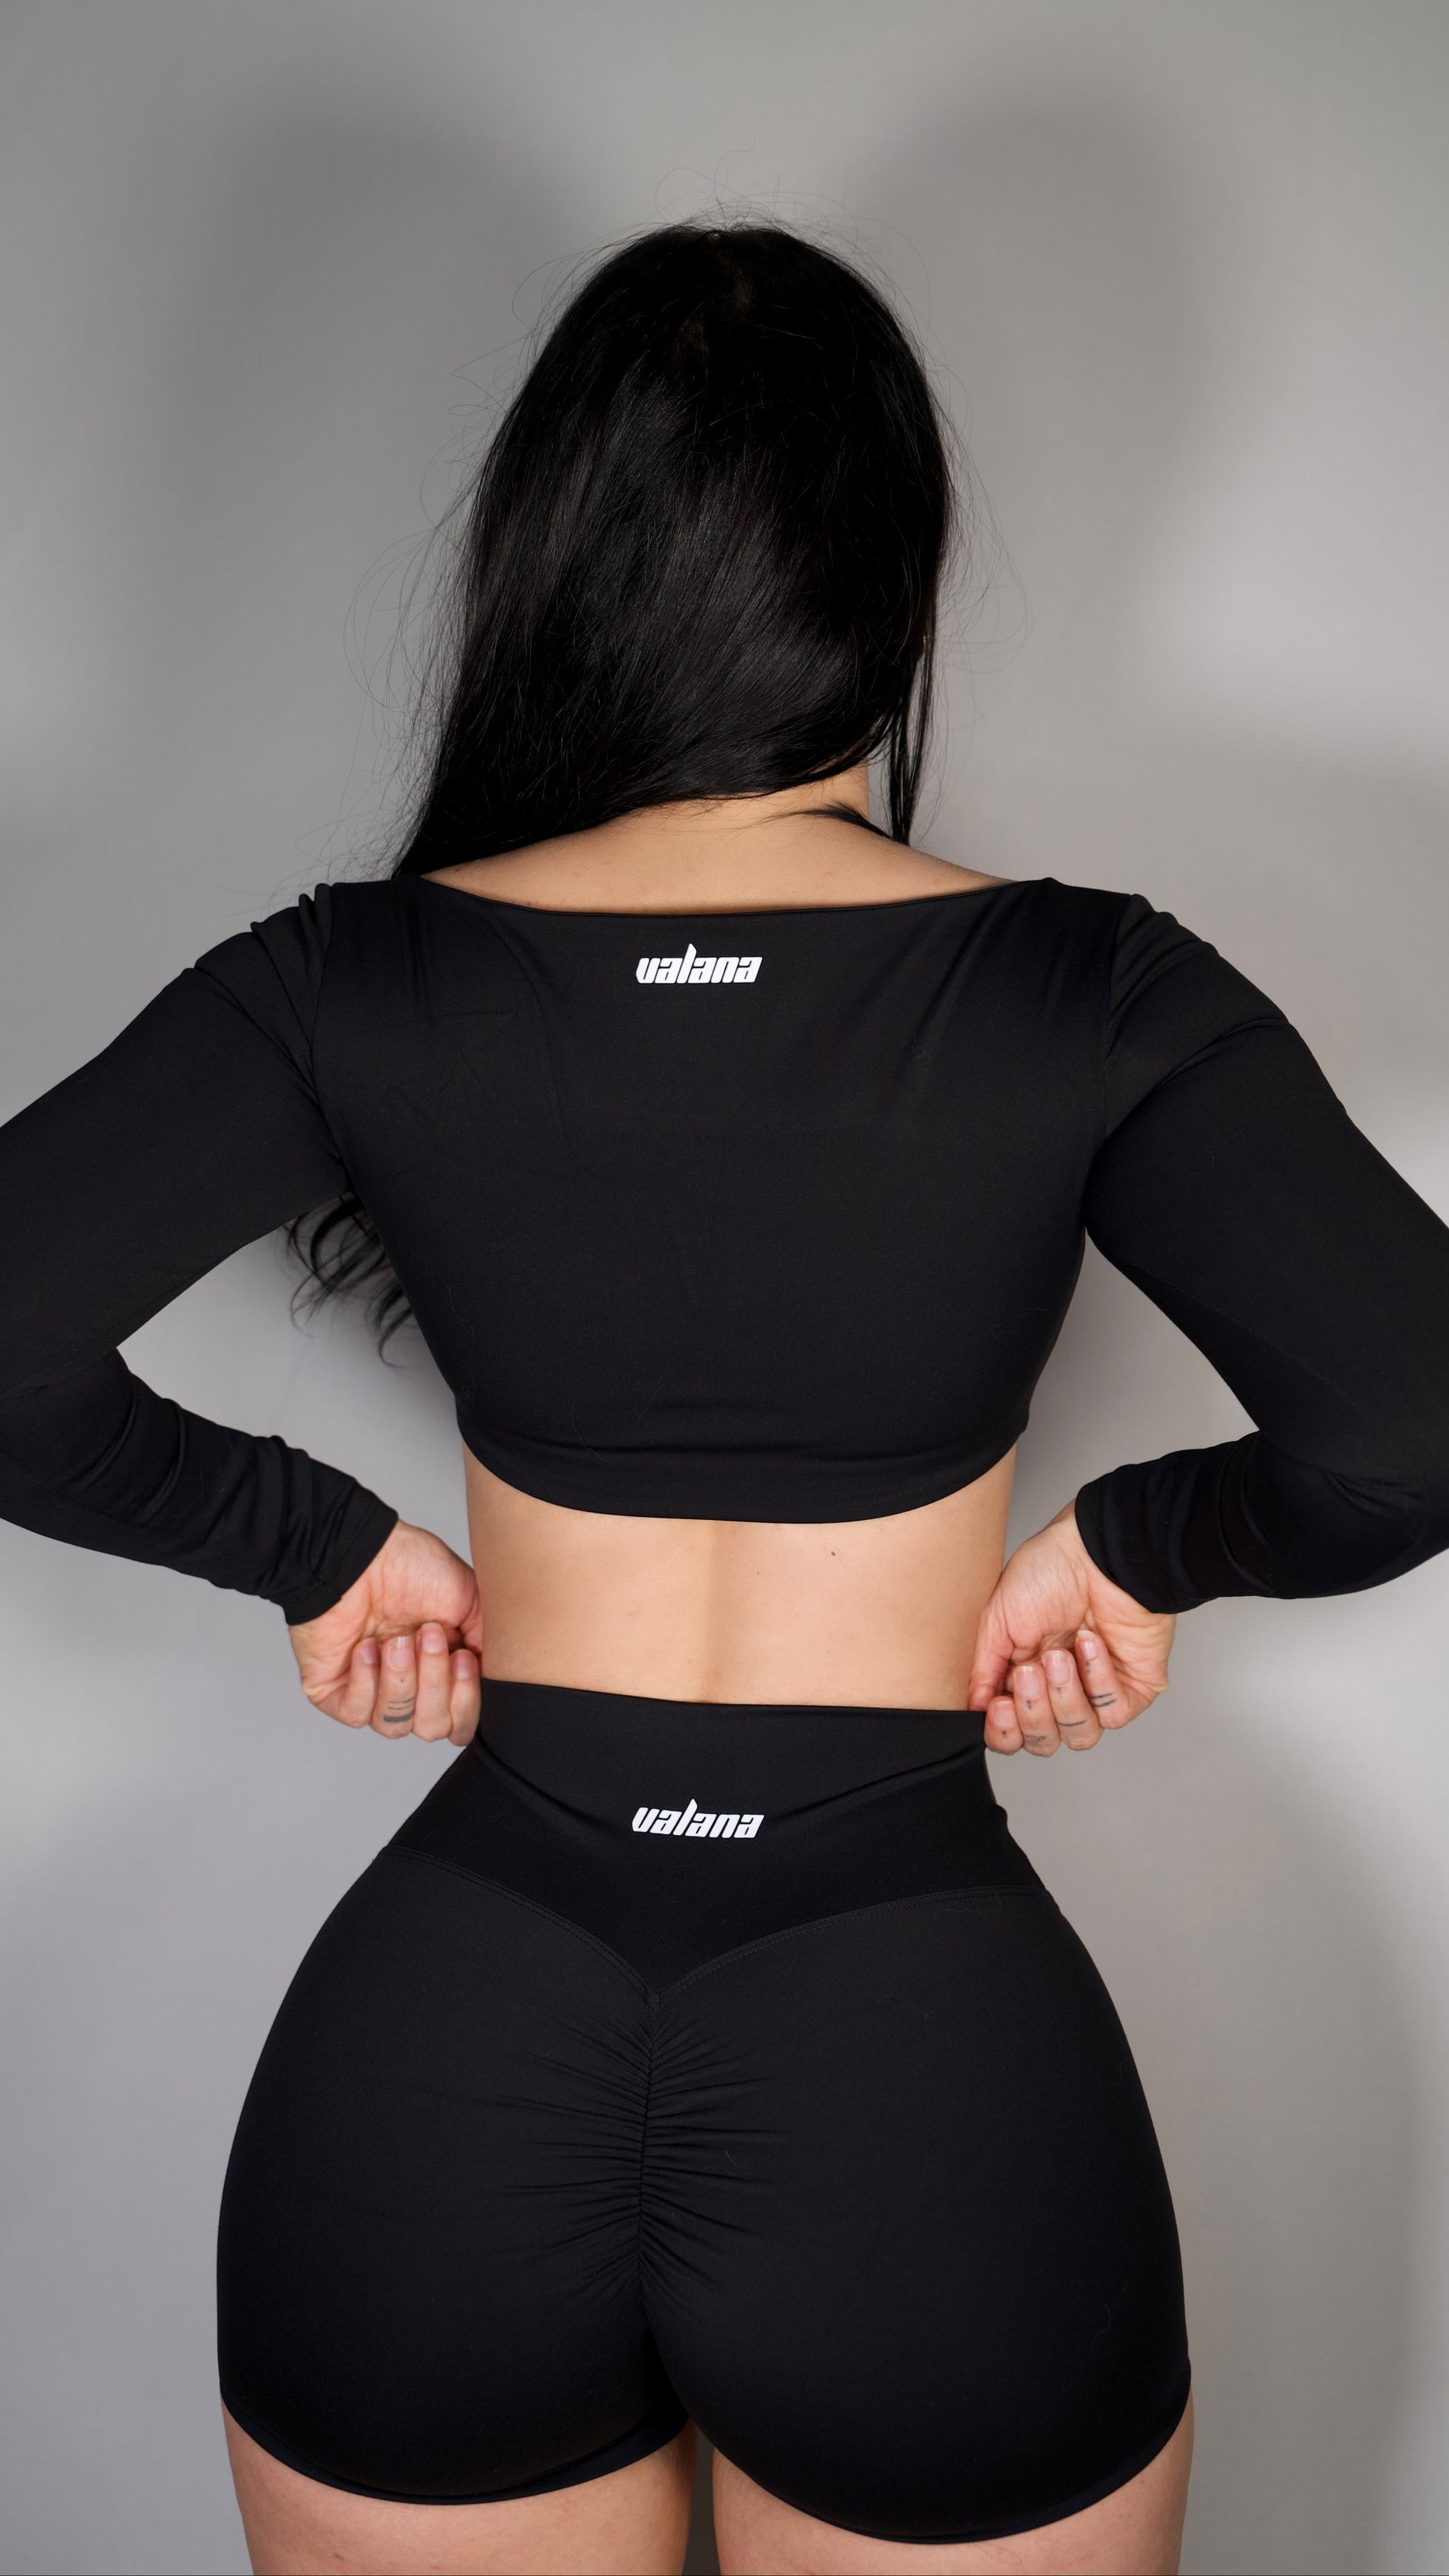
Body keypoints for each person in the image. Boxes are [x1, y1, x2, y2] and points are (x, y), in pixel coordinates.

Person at [2, 220, 1447, 2576]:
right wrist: (1145, 1544)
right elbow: (1408, 1422)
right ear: (890, 592)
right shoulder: (1083, 988)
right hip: (916, 2059)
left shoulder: (353, 979)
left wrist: (313, 1547)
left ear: (554, 565)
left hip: (449, 2046)